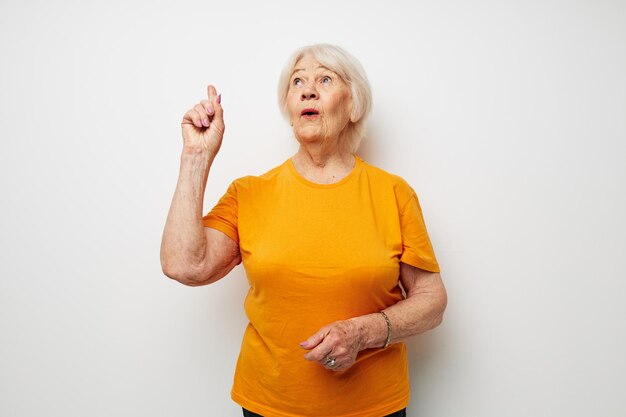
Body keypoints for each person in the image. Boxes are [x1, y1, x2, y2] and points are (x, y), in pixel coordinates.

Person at [160, 44, 447, 417]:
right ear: (291, 108)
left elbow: (432, 300)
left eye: (325, 79)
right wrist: (196, 158)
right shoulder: (249, 194)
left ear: (353, 105)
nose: (308, 90)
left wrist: (364, 332)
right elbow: (184, 265)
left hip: (374, 409)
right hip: (269, 406)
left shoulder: (394, 193)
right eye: (298, 82)